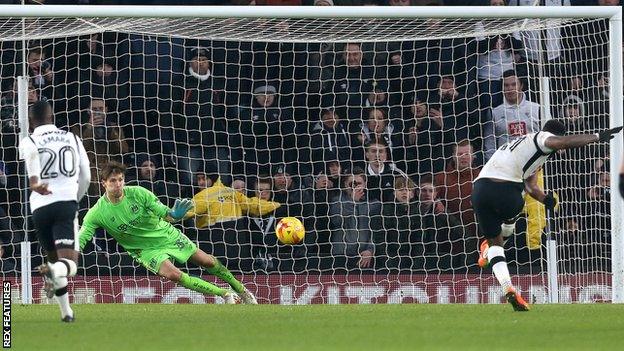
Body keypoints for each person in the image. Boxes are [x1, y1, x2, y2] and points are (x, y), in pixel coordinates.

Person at [472, 119, 622, 311]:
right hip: (506, 191)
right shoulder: (543, 138)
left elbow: (531, 185)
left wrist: (545, 199)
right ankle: (493, 250)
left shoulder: (521, 144)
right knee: (512, 211)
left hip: (479, 190)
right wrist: (596, 137)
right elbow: (561, 142)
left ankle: (507, 286)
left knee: (495, 245)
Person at [78, 161, 258, 304]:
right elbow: (83, 237)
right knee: (174, 275)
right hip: (145, 250)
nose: (118, 185)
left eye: (120, 180)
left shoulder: (139, 193)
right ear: (103, 184)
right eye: (113, 181)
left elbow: (165, 213)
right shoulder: (97, 212)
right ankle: (225, 294)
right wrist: (69, 255)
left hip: (166, 235)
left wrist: (173, 214)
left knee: (207, 261)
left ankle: (241, 289)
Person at [19, 101, 91, 322]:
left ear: (31, 121)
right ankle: (52, 272)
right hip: (65, 206)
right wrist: (73, 200)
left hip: (39, 209)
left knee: (54, 262)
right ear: (52, 117)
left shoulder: (28, 140)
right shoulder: (72, 138)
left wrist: (35, 182)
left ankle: (66, 313)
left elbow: (31, 162)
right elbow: (86, 175)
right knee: (68, 266)